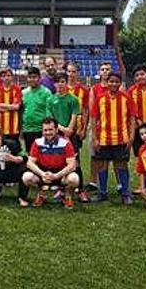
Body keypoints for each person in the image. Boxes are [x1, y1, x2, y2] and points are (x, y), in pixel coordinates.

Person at [90, 72, 136, 204]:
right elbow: (94, 118)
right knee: (102, 166)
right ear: (107, 82)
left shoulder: (126, 98)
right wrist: (94, 137)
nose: (114, 84)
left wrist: (132, 135)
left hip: (122, 139)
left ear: (120, 83)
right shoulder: (100, 98)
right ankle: (102, 193)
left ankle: (126, 193)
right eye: (111, 81)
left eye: (116, 82)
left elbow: (132, 117)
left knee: (121, 165)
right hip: (104, 138)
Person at [23, 117, 79, 209]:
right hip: (44, 173)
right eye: (45, 130)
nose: (48, 132)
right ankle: (41, 194)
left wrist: (56, 176)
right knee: (26, 177)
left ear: (56, 130)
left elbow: (72, 165)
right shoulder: (37, 142)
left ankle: (67, 196)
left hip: (60, 174)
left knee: (74, 179)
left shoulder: (65, 143)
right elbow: (30, 163)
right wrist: (42, 174)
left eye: (50, 129)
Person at [50, 73, 87, 202]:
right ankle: (61, 189)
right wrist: (62, 129)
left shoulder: (73, 99)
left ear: (66, 83)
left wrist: (69, 130)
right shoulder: (50, 99)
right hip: (57, 135)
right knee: (60, 162)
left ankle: (81, 190)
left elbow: (75, 115)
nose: (59, 84)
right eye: (57, 82)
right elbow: (51, 119)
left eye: (62, 81)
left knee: (76, 163)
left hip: (72, 136)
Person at [86, 60, 113, 191]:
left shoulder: (117, 87)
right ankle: (93, 181)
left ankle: (107, 184)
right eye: (102, 69)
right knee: (94, 154)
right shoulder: (95, 89)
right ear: (99, 72)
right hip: (97, 126)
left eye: (107, 69)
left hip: (112, 126)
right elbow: (91, 110)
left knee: (109, 157)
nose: (105, 71)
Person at [65, 62, 90, 201]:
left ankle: (80, 189)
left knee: (76, 159)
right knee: (62, 159)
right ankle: (64, 188)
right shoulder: (61, 88)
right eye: (69, 71)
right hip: (63, 130)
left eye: (73, 72)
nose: (71, 74)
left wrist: (84, 128)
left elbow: (85, 110)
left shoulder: (83, 90)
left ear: (77, 73)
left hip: (76, 129)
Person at [21, 66, 53, 152]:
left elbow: (49, 112)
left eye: (34, 77)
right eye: (30, 77)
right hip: (27, 130)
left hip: (41, 130)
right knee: (30, 154)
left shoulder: (46, 92)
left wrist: (47, 129)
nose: (32, 79)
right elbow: (21, 111)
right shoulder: (23, 93)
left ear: (39, 78)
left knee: (43, 155)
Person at [0, 67, 22, 141]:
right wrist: (10, 107)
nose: (6, 78)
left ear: (12, 77)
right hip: (1, 127)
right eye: (4, 76)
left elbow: (17, 107)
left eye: (8, 75)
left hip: (14, 128)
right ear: (1, 77)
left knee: (14, 150)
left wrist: (2, 105)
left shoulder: (17, 89)